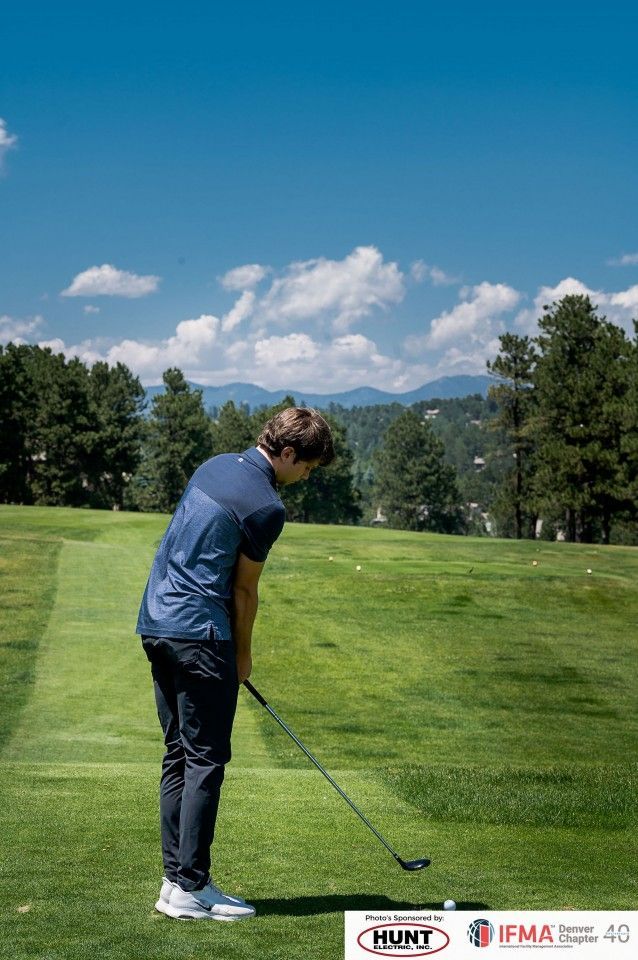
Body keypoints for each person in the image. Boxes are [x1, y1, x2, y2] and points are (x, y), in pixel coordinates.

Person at [136, 407, 334, 921]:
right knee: (205, 759)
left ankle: (174, 882)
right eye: (307, 467)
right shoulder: (267, 506)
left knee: (179, 753)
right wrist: (241, 656)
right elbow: (244, 591)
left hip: (156, 624)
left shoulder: (213, 465)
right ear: (288, 453)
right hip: (202, 636)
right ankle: (192, 886)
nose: (305, 477)